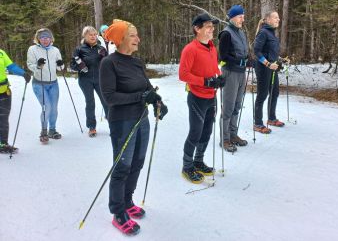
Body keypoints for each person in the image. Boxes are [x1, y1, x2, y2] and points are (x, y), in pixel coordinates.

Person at [100, 19, 167, 235]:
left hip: (142, 119)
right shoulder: (109, 63)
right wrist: (140, 96)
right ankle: (118, 212)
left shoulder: (136, 63)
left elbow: (148, 88)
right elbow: (110, 97)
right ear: (120, 39)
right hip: (122, 122)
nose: (138, 39)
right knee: (122, 166)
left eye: (137, 35)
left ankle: (128, 201)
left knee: (137, 162)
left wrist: (158, 102)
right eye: (132, 35)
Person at [179, 12, 224, 184]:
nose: (212, 30)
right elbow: (183, 74)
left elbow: (213, 68)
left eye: (213, 27)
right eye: (208, 27)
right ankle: (187, 166)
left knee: (207, 131)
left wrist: (219, 78)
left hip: (211, 96)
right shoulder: (190, 49)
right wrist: (205, 81)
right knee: (195, 132)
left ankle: (198, 160)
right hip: (197, 97)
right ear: (197, 29)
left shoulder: (212, 47)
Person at [218, 4, 249, 152]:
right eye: (240, 16)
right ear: (232, 17)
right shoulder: (226, 33)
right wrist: (240, 61)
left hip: (241, 73)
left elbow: (242, 52)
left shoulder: (241, 33)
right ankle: (224, 139)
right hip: (230, 73)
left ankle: (233, 134)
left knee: (237, 105)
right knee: (228, 107)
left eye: (243, 16)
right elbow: (223, 56)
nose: (242, 19)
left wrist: (248, 60)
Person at [253, 11, 289, 134]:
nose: (278, 19)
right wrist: (268, 63)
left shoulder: (272, 33)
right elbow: (256, 52)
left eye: (278, 17)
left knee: (274, 92)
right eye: (275, 17)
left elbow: (270, 51)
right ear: (267, 19)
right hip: (263, 68)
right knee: (262, 95)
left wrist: (280, 59)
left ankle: (272, 118)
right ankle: (258, 123)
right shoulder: (263, 33)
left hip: (273, 67)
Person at [71, 26, 109, 137]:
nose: (93, 37)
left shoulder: (101, 48)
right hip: (85, 80)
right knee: (90, 102)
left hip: (99, 79)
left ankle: (113, 124)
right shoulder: (79, 49)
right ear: (85, 36)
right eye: (90, 35)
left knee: (106, 101)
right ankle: (92, 127)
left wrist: (104, 57)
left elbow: (108, 64)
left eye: (94, 34)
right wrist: (80, 67)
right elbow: (72, 65)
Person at [27, 28, 63, 143]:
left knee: (54, 108)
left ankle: (52, 130)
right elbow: (30, 65)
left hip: (53, 83)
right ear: (38, 39)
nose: (45, 40)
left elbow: (60, 68)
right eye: (42, 37)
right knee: (46, 107)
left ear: (51, 38)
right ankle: (44, 131)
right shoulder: (33, 49)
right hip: (39, 83)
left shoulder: (55, 50)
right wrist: (38, 66)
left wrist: (61, 65)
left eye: (47, 37)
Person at [0, 49, 31, 153]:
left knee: (3, 119)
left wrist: (23, 73)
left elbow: (11, 66)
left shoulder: (1, 53)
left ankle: (3, 144)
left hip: (3, 91)